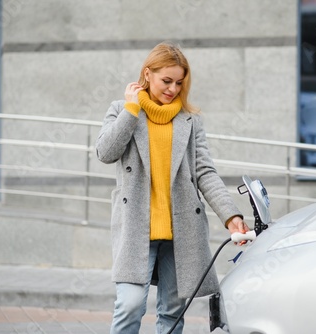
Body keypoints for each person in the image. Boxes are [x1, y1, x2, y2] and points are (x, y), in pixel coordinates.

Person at [95, 41, 249, 334]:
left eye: (179, 82)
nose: (173, 89)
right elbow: (105, 152)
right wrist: (131, 109)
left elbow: (204, 172)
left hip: (182, 231)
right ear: (147, 74)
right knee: (129, 305)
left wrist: (231, 217)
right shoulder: (121, 110)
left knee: (173, 314)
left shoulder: (190, 121)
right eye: (167, 80)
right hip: (136, 228)